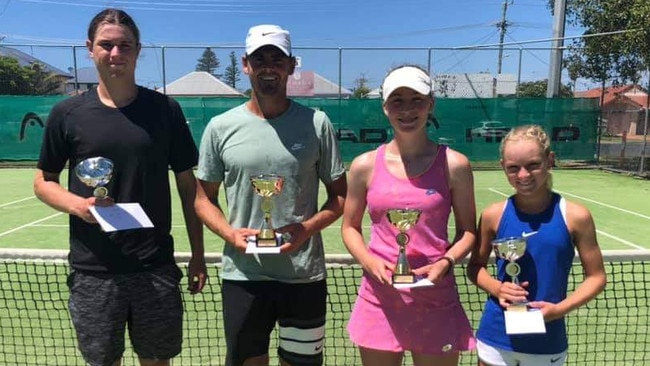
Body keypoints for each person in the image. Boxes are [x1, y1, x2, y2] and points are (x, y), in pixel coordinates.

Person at [33, 8, 207, 366]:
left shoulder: (165, 110)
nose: (115, 54)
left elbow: (189, 188)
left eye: (124, 46)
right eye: (106, 45)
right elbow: (43, 181)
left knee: (157, 361)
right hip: (93, 271)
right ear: (90, 48)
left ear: (138, 50)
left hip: (154, 268)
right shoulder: (67, 113)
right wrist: (78, 206)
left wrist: (198, 255)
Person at [194, 24, 347, 366]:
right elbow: (203, 199)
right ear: (246, 64)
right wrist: (230, 234)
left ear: (291, 66)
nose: (268, 66)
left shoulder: (317, 123)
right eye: (260, 58)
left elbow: (339, 197)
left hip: (303, 277)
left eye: (277, 59)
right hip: (244, 277)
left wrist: (307, 228)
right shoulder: (220, 127)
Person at [341, 65, 477, 366]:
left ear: (431, 104)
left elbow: (468, 231)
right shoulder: (364, 165)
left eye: (416, 99)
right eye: (397, 101)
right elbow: (349, 227)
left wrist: (445, 262)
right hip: (379, 299)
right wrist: (369, 261)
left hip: (435, 298)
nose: (407, 110)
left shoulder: (454, 165)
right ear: (385, 107)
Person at [467, 125, 607, 366]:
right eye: (513, 168)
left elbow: (596, 277)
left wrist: (558, 310)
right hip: (496, 337)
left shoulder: (576, 216)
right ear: (503, 167)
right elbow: (475, 267)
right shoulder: (493, 215)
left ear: (549, 160)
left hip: (547, 340)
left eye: (533, 164)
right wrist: (497, 288)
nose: (523, 175)